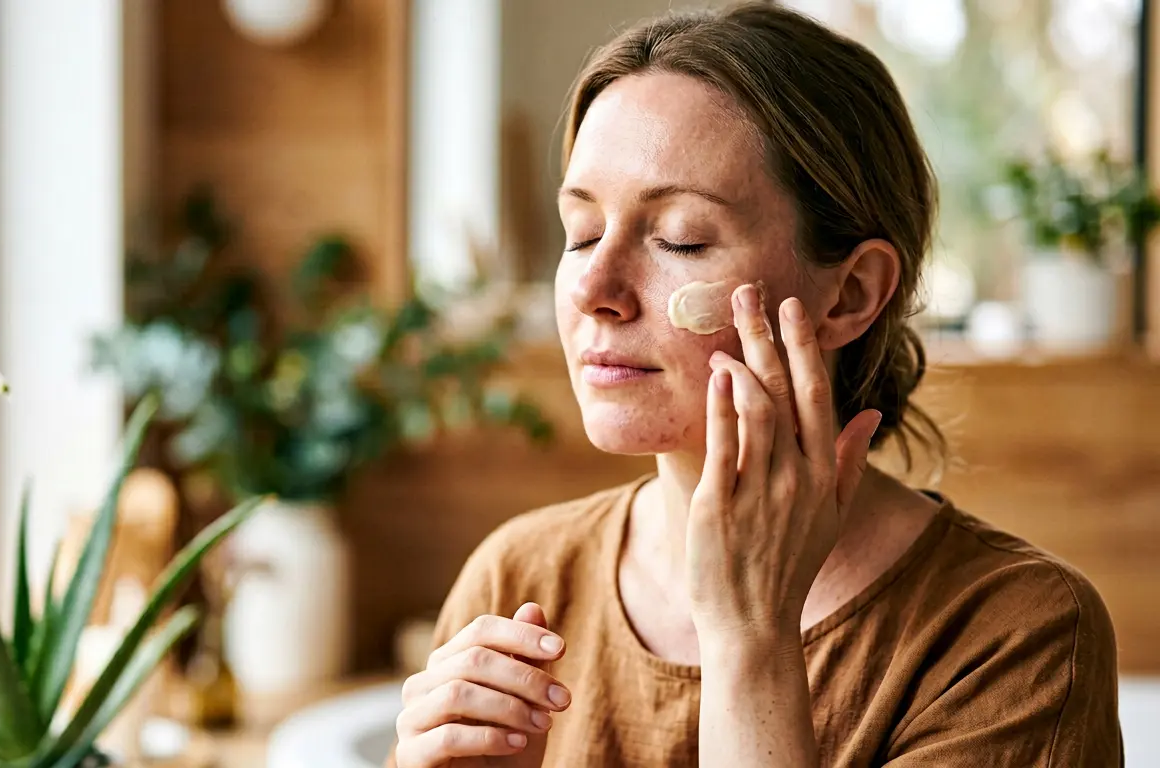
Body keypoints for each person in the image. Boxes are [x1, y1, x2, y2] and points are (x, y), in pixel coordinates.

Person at [389, 4, 1122, 767]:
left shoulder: (1017, 637)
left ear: (850, 294)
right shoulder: (521, 574)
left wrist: (751, 639)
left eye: (681, 238)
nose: (593, 287)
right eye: (581, 233)